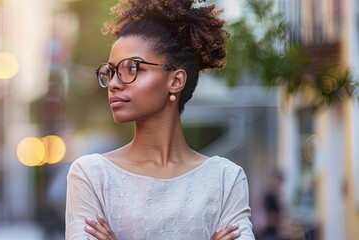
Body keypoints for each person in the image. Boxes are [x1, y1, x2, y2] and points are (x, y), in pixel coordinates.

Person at [65, 0, 255, 239]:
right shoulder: (91, 176)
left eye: (132, 68)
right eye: (111, 71)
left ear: (175, 81)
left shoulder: (226, 179)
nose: (113, 83)